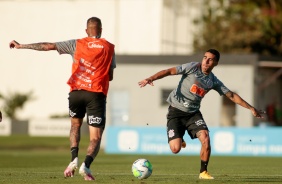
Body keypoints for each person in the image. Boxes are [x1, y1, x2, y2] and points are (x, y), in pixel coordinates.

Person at [9, 17, 116, 181]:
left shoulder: (76, 43)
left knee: (75, 125)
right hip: (95, 94)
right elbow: (110, 76)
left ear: (86, 31)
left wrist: (21, 45)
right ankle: (86, 165)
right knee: (95, 137)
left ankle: (73, 159)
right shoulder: (109, 47)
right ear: (101, 31)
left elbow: (48, 46)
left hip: (76, 93)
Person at [138, 49, 265, 179]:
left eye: (210, 59)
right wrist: (151, 78)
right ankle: (180, 137)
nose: (206, 61)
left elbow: (231, 95)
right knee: (175, 149)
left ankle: (203, 172)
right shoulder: (192, 67)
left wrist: (251, 108)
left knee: (205, 138)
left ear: (216, 63)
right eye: (205, 57)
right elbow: (169, 71)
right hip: (175, 112)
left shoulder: (213, 81)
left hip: (193, 114)